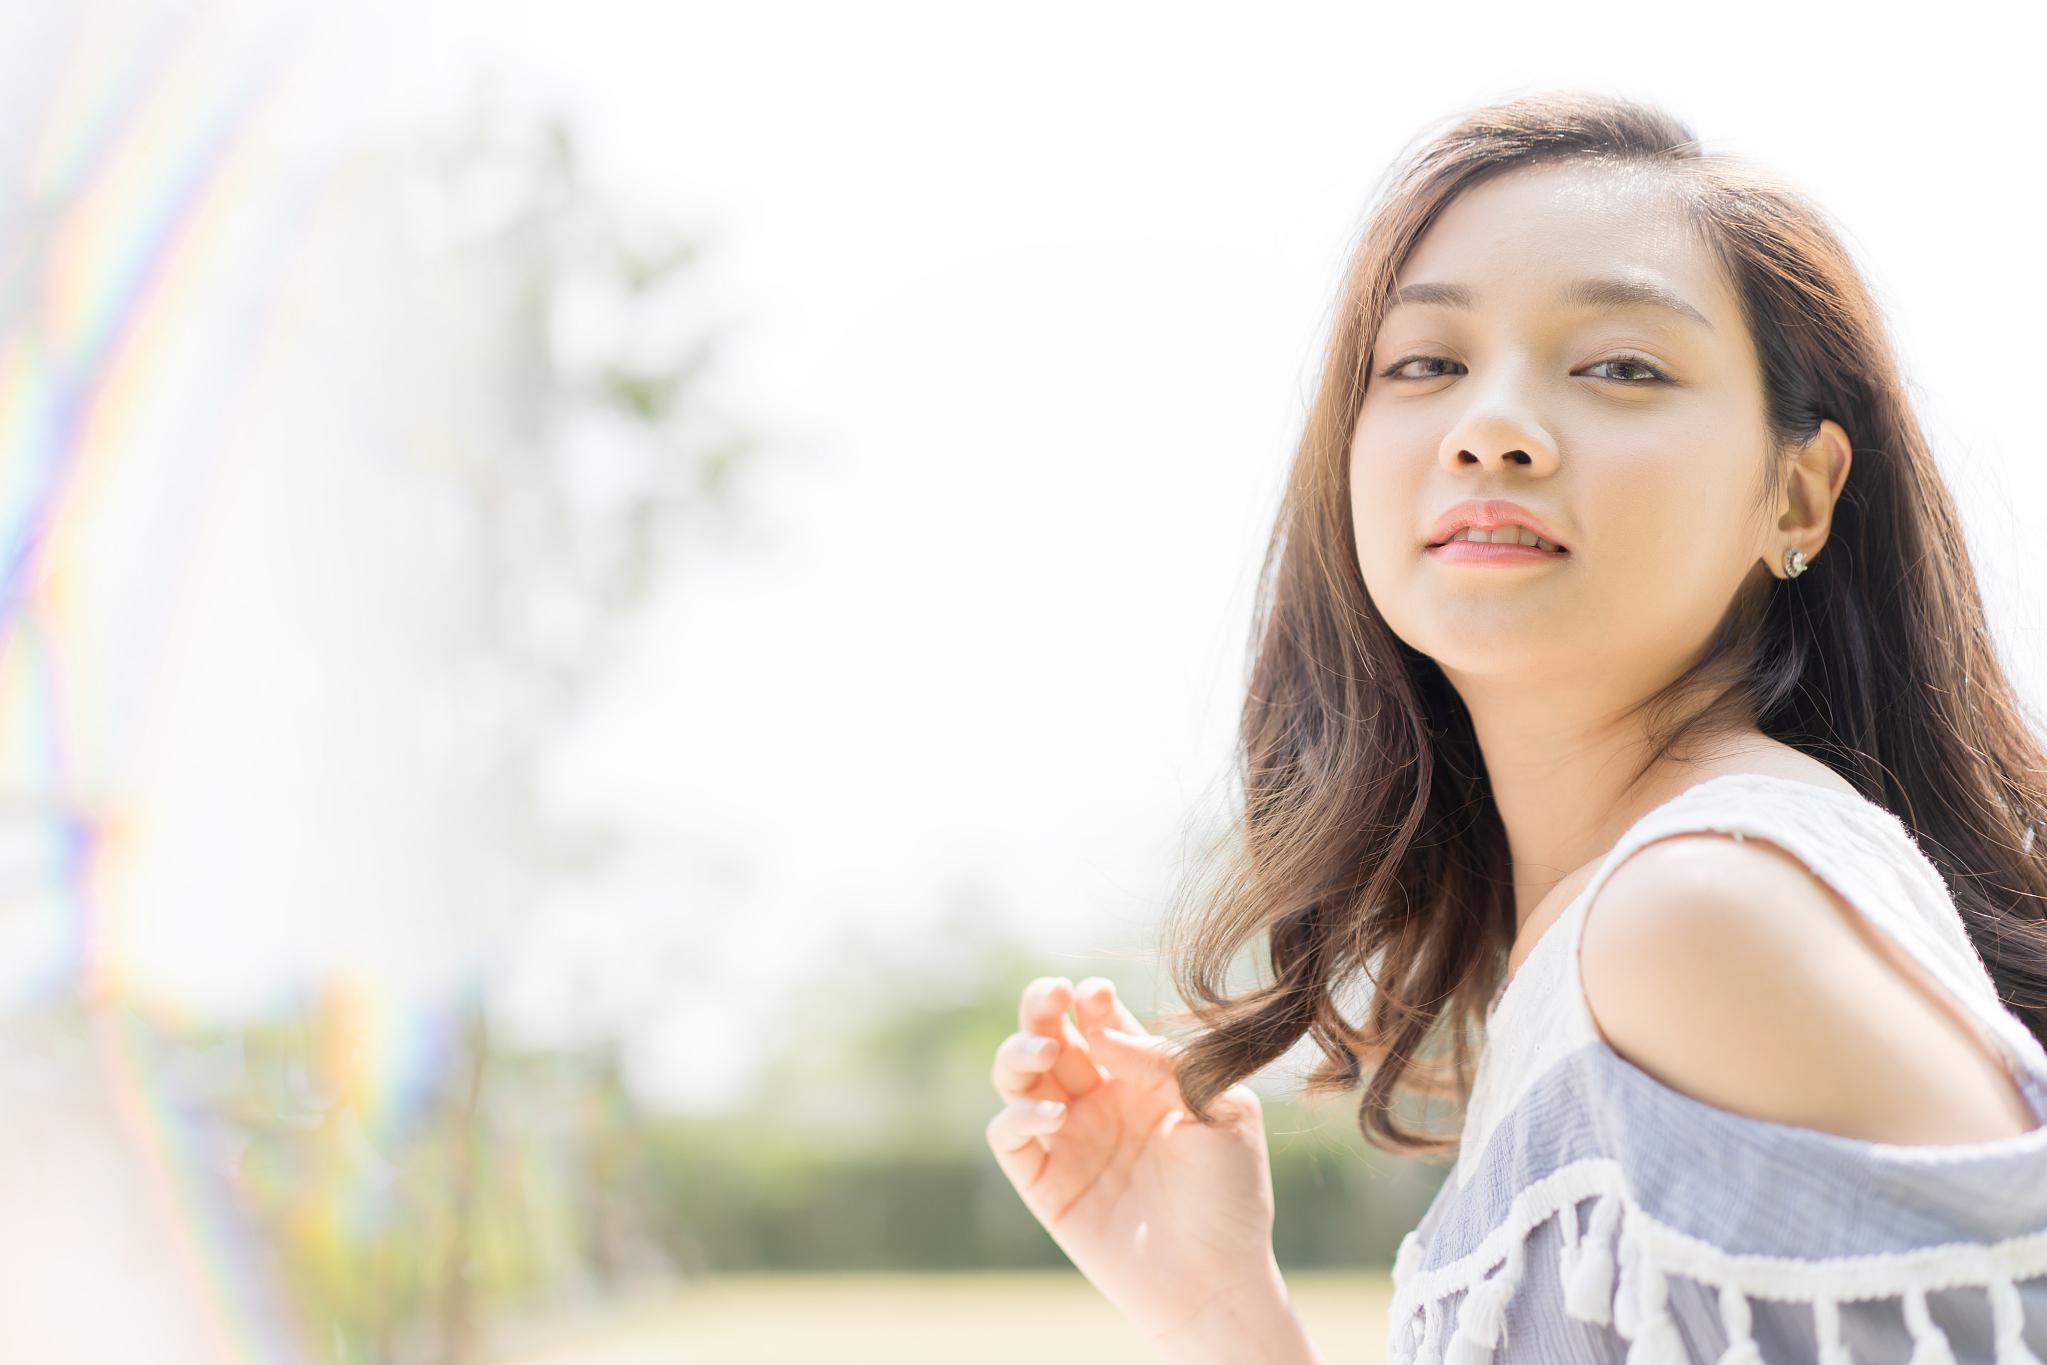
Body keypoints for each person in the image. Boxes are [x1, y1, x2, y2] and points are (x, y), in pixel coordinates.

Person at [984, 90, 2047, 1363]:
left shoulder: (1702, 913)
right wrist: (1223, 1314)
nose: (1489, 429)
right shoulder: (1620, 926)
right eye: (1425, 364)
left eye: (1620, 367)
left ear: (1798, 494)